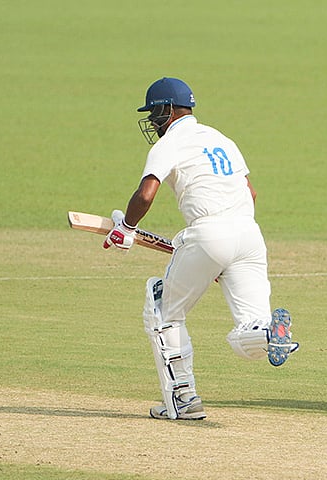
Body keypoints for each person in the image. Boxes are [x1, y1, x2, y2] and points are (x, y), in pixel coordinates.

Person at [103, 76, 298, 420]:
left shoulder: (170, 144)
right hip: (249, 235)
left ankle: (183, 400)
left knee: (162, 307)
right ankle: (270, 334)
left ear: (169, 110)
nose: (152, 122)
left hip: (209, 234)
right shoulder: (221, 139)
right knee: (248, 329)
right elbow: (250, 193)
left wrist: (126, 229)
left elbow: (147, 193)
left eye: (155, 114)